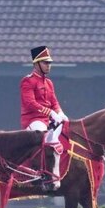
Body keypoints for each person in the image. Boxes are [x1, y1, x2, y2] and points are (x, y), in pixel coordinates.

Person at [20, 45, 68, 191]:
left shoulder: (48, 82)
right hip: (33, 120)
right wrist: (50, 113)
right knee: (43, 137)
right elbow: (30, 103)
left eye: (49, 63)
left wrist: (60, 112)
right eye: (45, 63)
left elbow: (54, 101)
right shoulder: (28, 81)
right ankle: (38, 173)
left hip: (48, 119)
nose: (49, 66)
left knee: (65, 136)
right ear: (36, 64)